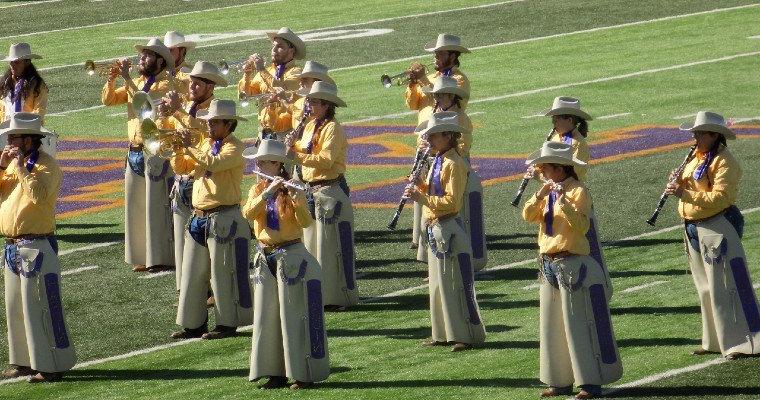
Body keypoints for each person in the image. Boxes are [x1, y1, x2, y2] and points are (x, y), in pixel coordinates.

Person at [522, 141, 621, 399]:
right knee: (552, 326)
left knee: (579, 324)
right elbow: (527, 215)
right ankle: (560, 380)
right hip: (548, 262)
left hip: (571, 262)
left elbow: (580, 226)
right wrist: (540, 194)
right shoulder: (546, 190)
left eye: (545, 167)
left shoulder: (579, 191)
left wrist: (563, 202)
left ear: (560, 168)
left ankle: (589, 383)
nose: (540, 170)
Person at [666, 111, 760, 359]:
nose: (695, 136)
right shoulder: (696, 157)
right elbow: (694, 187)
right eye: (695, 132)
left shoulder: (725, 162)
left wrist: (684, 194)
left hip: (716, 227)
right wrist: (679, 183)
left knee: (726, 287)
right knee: (705, 288)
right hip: (693, 227)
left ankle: (743, 342)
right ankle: (714, 340)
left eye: (700, 133)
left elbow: (721, 198)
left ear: (713, 135)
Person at [243, 139, 330, 390]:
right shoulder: (256, 188)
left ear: (277, 165)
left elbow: (305, 223)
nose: (257, 164)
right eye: (257, 160)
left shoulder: (294, 189)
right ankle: (274, 372)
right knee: (266, 316)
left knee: (294, 316)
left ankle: (303, 373)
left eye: (262, 161)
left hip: (290, 256)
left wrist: (297, 198)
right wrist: (266, 194)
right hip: (264, 255)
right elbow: (248, 214)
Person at [0, 113, 76, 383]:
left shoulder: (47, 166)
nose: (9, 141)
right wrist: (2, 167)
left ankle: (51, 363)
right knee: (15, 308)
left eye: (14, 137)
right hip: (12, 246)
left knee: (39, 307)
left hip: (36, 245)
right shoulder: (11, 165)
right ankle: (24, 361)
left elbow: (39, 197)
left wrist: (20, 169)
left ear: (30, 140)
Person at [170, 100, 252, 340]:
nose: (209, 126)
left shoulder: (236, 148)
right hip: (198, 217)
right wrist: (178, 149)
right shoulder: (206, 143)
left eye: (214, 122)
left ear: (229, 125)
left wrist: (190, 147)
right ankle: (193, 324)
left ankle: (227, 323)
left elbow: (213, 164)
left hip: (223, 217)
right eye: (208, 122)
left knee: (222, 273)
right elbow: (183, 166)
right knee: (192, 273)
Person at [404, 111, 486, 352]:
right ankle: (441, 333)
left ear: (448, 136)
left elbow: (451, 201)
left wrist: (422, 197)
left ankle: (465, 333)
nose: (429, 141)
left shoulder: (455, 164)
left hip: (448, 225)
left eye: (434, 136)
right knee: (438, 285)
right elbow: (432, 190)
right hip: (435, 227)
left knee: (455, 284)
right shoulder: (438, 161)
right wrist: (418, 183)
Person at [101, 37, 176, 273]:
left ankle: (160, 255)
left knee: (156, 206)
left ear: (160, 61)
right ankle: (141, 255)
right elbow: (109, 100)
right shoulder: (138, 81)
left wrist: (125, 77)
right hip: (134, 150)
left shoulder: (166, 84)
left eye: (147, 56)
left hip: (154, 151)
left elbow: (143, 103)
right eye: (142, 55)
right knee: (136, 206)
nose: (141, 59)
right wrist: (112, 78)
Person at [159, 61, 228, 296]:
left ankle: (209, 291)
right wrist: (163, 116)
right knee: (182, 241)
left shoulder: (215, 110)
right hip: (181, 178)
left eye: (198, 84)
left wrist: (177, 112)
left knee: (205, 245)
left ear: (210, 87)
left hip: (201, 180)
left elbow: (201, 130)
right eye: (191, 83)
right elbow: (163, 135)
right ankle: (186, 289)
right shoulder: (185, 105)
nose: (192, 87)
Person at [288, 81, 358, 310]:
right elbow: (302, 150)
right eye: (309, 101)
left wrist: (295, 155)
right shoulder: (309, 126)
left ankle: (338, 297)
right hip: (310, 191)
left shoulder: (333, 129)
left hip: (328, 191)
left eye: (315, 102)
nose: (310, 105)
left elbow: (326, 160)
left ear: (327, 105)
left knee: (331, 249)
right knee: (312, 246)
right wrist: (291, 146)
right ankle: (318, 294)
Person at [413, 76, 486, 271]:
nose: (437, 99)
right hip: (435, 163)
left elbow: (462, 146)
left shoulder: (461, 117)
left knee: (455, 212)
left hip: (454, 165)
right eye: (436, 95)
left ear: (452, 96)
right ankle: (431, 259)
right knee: (428, 213)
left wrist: (436, 148)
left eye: (441, 95)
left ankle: (460, 258)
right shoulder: (435, 113)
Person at [539, 96, 609, 293]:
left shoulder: (579, 144)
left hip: (574, 197)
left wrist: (550, 174)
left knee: (584, 243)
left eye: (557, 118)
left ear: (570, 120)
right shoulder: (555, 139)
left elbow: (573, 174)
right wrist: (540, 171)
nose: (553, 122)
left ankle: (598, 287)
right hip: (554, 196)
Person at [238, 27, 304, 142]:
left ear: (291, 51)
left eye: (280, 47)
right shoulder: (267, 71)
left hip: (285, 134)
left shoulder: (296, 72)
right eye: (273, 46)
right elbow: (246, 94)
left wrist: (261, 69)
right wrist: (247, 75)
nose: (274, 50)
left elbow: (280, 88)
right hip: (263, 132)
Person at [0, 43, 53, 154]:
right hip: (5, 132)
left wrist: (21, 130)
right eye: (11, 62)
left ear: (27, 62)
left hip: (26, 136)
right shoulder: (5, 83)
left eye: (17, 62)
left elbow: (39, 112)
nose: (12, 66)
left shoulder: (38, 85)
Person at [405, 34, 470, 113]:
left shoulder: (458, 79)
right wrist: (413, 84)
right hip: (425, 125)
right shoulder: (430, 78)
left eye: (441, 53)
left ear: (452, 57)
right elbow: (412, 106)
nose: (436, 56)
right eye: (435, 53)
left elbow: (444, 102)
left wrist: (422, 78)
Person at [164, 31, 196, 98]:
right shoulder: (160, 71)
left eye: (171, 50)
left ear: (182, 51)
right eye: (165, 50)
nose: (167, 54)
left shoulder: (190, 73)